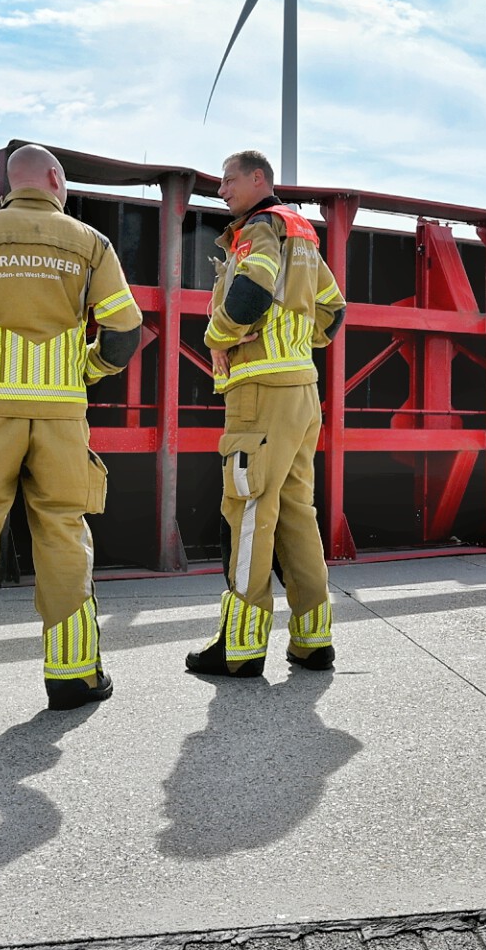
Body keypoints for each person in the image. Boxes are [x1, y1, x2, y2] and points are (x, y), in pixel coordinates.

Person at [0, 145, 144, 715]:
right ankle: (72, 678)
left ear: (7, 187)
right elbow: (123, 332)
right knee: (64, 535)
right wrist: (84, 368)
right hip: (62, 416)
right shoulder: (93, 244)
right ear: (57, 181)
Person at [186, 149, 346, 678]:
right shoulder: (301, 233)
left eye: (228, 180)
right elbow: (334, 307)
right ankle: (312, 640)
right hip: (303, 389)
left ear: (259, 179)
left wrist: (219, 338)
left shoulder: (258, 230)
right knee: (298, 511)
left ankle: (241, 647)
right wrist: (297, 340)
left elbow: (250, 289)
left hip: (259, 392)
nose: (221, 191)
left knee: (249, 509)